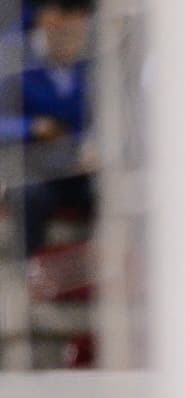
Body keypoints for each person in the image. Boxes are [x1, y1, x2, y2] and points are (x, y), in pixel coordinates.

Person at [0, 0, 94, 256]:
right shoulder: (12, 56)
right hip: (30, 173)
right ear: (45, 16)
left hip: (75, 169)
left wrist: (92, 146)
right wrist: (32, 127)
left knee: (110, 189)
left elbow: (98, 118)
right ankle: (26, 277)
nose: (74, 24)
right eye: (66, 13)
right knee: (30, 197)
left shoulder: (88, 60)